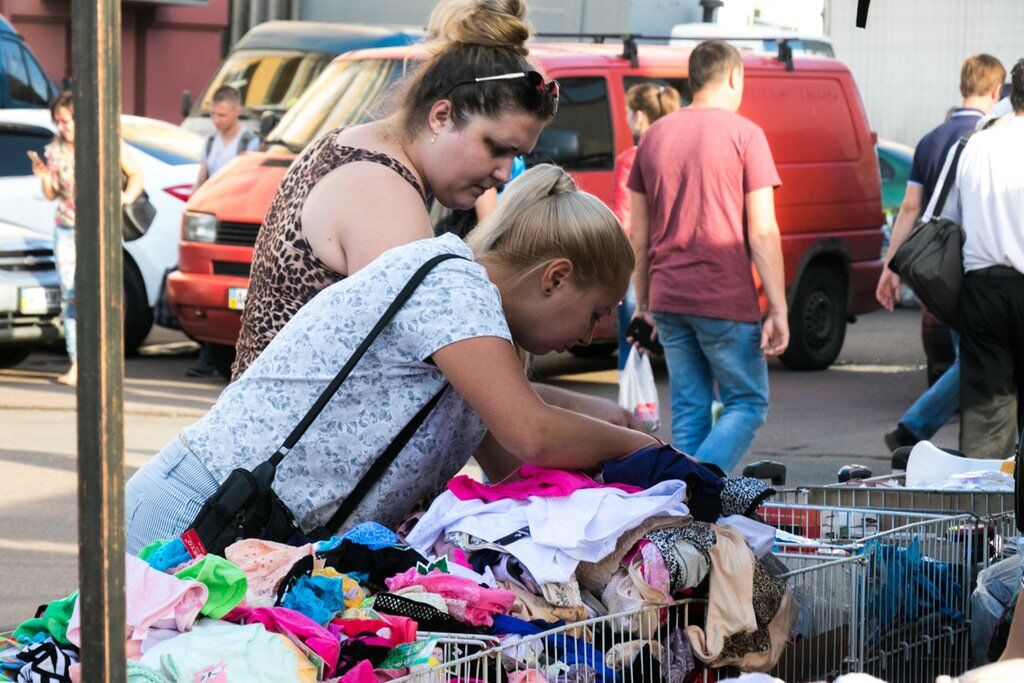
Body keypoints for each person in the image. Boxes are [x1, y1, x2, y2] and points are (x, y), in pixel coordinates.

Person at [124, 164, 658, 553]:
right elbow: (531, 434)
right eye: (594, 313)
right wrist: (648, 450)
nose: (592, 337)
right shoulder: (453, 283)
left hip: (254, 529)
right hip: (202, 511)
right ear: (556, 277)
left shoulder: (481, 337)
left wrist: (603, 426)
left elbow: (518, 465)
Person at [230, 0, 635, 427]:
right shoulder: (385, 198)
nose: (501, 174)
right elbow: (484, 405)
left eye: (515, 156)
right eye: (495, 148)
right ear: (441, 115)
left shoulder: (355, 149)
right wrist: (629, 439)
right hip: (280, 476)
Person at [628, 40, 787, 474]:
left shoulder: (655, 136)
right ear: (734, 77)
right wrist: (778, 307)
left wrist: (644, 304)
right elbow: (762, 229)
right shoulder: (746, 135)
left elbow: (638, 235)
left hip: (668, 295)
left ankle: (685, 514)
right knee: (748, 401)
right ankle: (692, 487)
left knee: (691, 408)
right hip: (723, 296)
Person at [876, 54, 1006, 452]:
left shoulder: (931, 139)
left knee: (969, 359)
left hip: (939, 272)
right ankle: (918, 430)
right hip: (984, 265)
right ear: (997, 90)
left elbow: (911, 209)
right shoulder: (992, 136)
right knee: (979, 360)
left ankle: (921, 432)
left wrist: (891, 265)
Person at [27, 91, 145, 387]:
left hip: (99, 228)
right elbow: (53, 193)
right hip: (67, 226)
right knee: (72, 293)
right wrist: (43, 177)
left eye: (65, 121)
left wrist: (125, 197)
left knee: (101, 292)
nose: (61, 127)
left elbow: (136, 174)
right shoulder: (54, 150)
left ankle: (105, 360)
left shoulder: (104, 142)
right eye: (57, 122)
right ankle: (78, 362)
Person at [940, 58, 1024, 460]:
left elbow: (945, 220)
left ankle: (985, 515)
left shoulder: (976, 143)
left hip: (983, 288)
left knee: (986, 417)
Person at [187, 85, 260, 378]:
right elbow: (201, 181)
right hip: (213, 221)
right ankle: (207, 351)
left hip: (237, 218)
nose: (216, 119)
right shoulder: (209, 143)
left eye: (222, 114)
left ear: (236, 112)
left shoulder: (248, 142)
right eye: (213, 114)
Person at [611, 82, 681, 371]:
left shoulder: (631, 159)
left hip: (638, 259)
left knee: (633, 340)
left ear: (639, 116)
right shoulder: (677, 154)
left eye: (628, 112)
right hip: (672, 261)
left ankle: (633, 407)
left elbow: (623, 218)